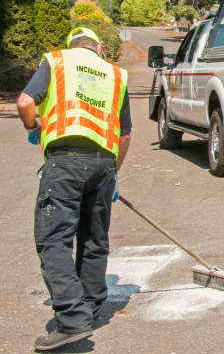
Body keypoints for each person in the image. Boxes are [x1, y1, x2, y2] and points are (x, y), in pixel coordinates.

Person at [16, 27, 131, 351]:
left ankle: (72, 318)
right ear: (99, 47)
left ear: (71, 46)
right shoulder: (115, 74)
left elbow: (25, 102)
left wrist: (33, 127)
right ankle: (92, 309)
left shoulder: (56, 61)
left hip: (65, 163)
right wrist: (114, 172)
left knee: (53, 240)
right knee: (94, 238)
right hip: (103, 164)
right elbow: (125, 134)